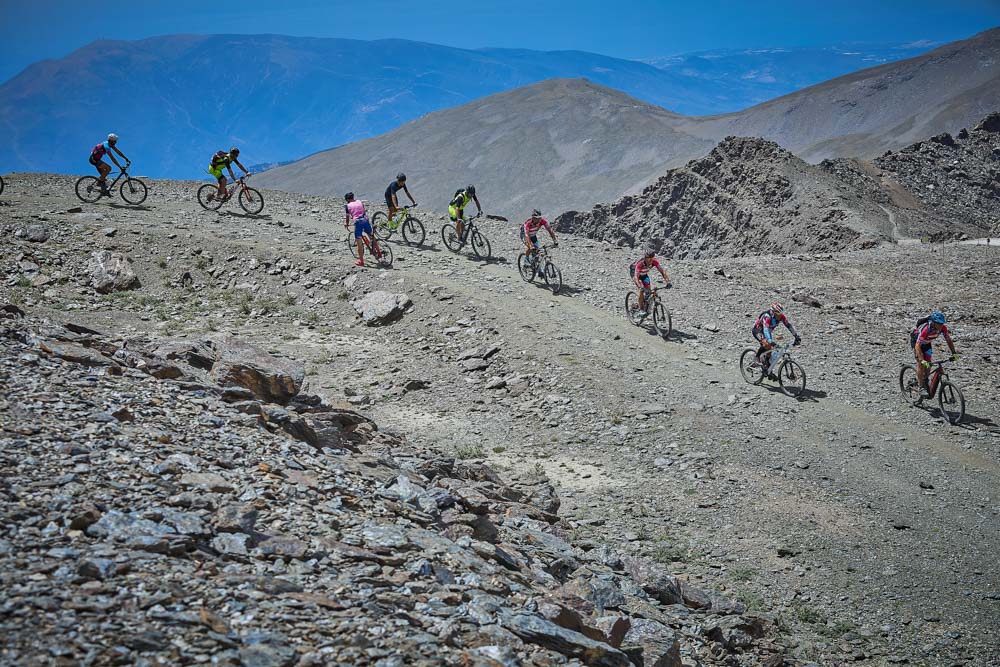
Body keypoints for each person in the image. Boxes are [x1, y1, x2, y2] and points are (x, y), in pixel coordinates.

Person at [911, 311, 957, 397]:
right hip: (917, 343)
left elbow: (948, 340)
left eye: (942, 323)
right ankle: (921, 387)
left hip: (927, 343)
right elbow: (917, 346)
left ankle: (925, 380)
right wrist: (921, 360)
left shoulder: (943, 328)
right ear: (934, 322)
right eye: (939, 323)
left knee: (929, 364)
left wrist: (954, 353)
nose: (940, 325)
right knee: (921, 364)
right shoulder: (926, 329)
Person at [752, 301, 801, 379]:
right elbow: (765, 329)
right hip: (758, 330)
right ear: (773, 312)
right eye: (778, 314)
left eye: (781, 314)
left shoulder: (781, 316)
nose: (780, 316)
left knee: (770, 351)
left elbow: (788, 325)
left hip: (767, 331)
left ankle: (767, 368)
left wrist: (796, 336)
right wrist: (770, 341)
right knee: (766, 344)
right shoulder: (767, 316)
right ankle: (757, 357)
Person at [344, 192, 377, 267]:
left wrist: (346, 224)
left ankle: (361, 261)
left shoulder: (347, 206)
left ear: (347, 200)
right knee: (371, 235)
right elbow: (363, 211)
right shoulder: (359, 202)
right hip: (365, 220)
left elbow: (347, 217)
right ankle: (378, 252)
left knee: (359, 242)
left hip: (358, 222)